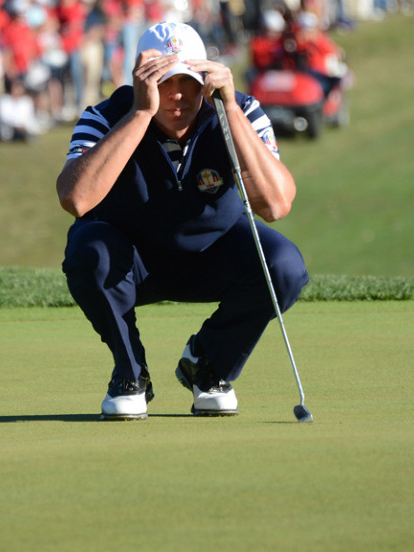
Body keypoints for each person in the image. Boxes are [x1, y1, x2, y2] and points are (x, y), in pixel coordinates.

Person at [56, 21, 309, 421]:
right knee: (89, 250)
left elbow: (276, 205)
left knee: (285, 266)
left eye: (189, 80)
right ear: (142, 81)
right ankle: (130, 374)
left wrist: (228, 108)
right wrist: (141, 112)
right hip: (130, 263)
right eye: (163, 81)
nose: (177, 95)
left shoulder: (240, 110)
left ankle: (207, 365)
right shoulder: (105, 116)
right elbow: (76, 199)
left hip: (213, 254)